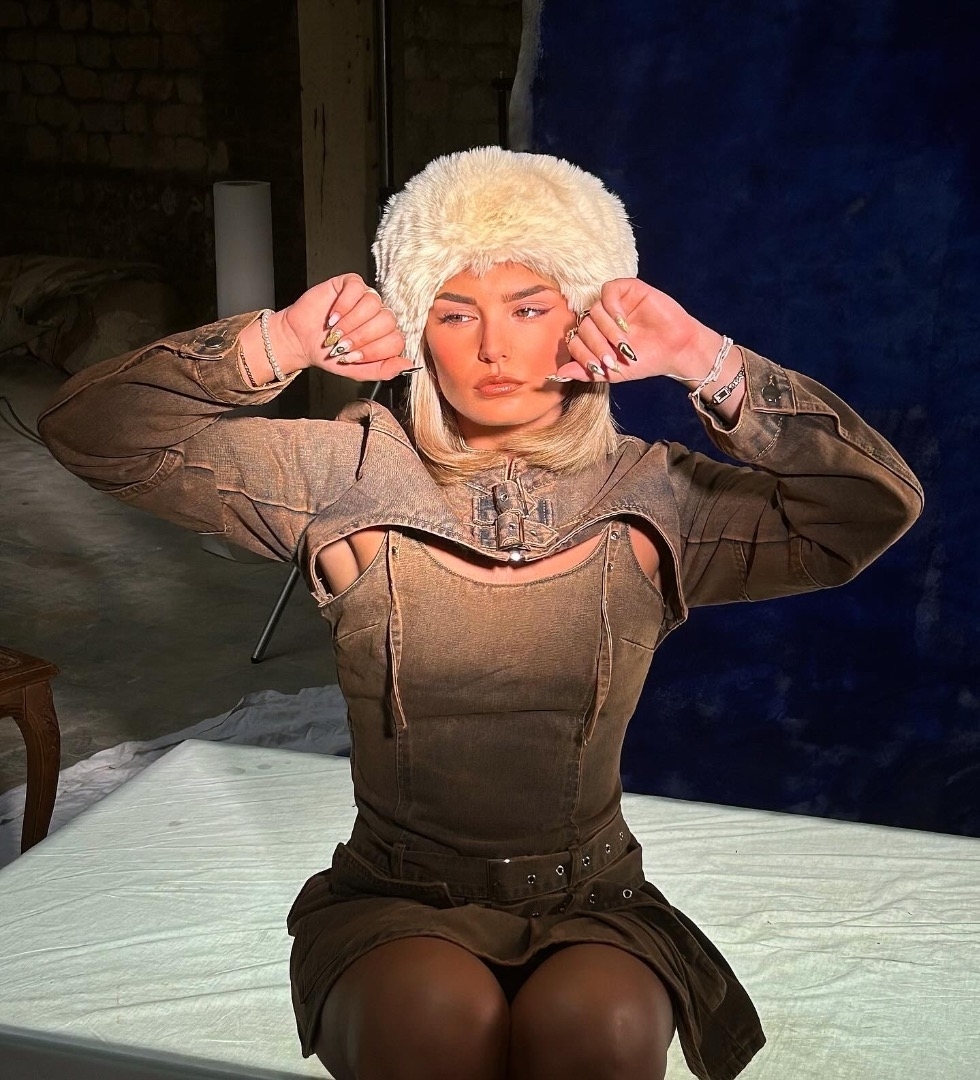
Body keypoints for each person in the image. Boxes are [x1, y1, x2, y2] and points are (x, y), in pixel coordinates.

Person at [39, 147, 923, 1080]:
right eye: (455, 313)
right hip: (395, 901)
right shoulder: (344, 473)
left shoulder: (659, 494)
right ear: (418, 330)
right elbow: (92, 435)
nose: (493, 348)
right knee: (433, 1023)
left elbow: (871, 507)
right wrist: (281, 343)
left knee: (597, 1032)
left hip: (595, 901)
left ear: (587, 317)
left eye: (530, 309)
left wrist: (708, 359)